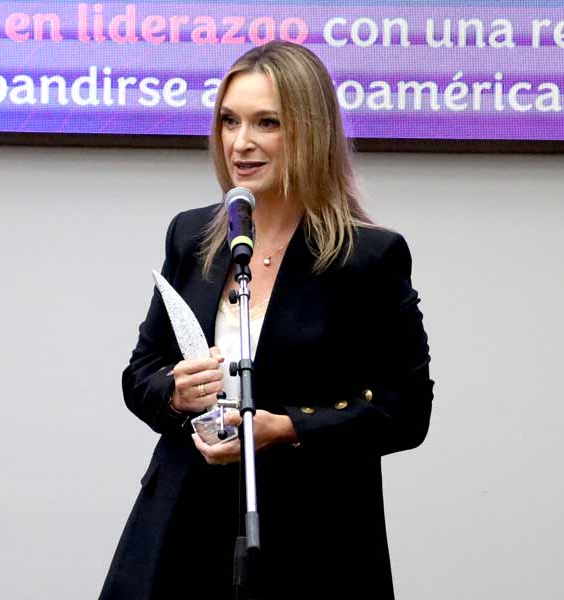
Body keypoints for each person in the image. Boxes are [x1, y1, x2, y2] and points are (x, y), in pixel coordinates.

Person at [98, 41, 433, 600]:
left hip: (312, 536)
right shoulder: (191, 235)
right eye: (229, 121)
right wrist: (176, 393)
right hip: (180, 523)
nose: (240, 142)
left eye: (266, 123)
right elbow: (142, 373)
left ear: (311, 133)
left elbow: (406, 410)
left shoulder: (369, 258)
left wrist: (286, 428)